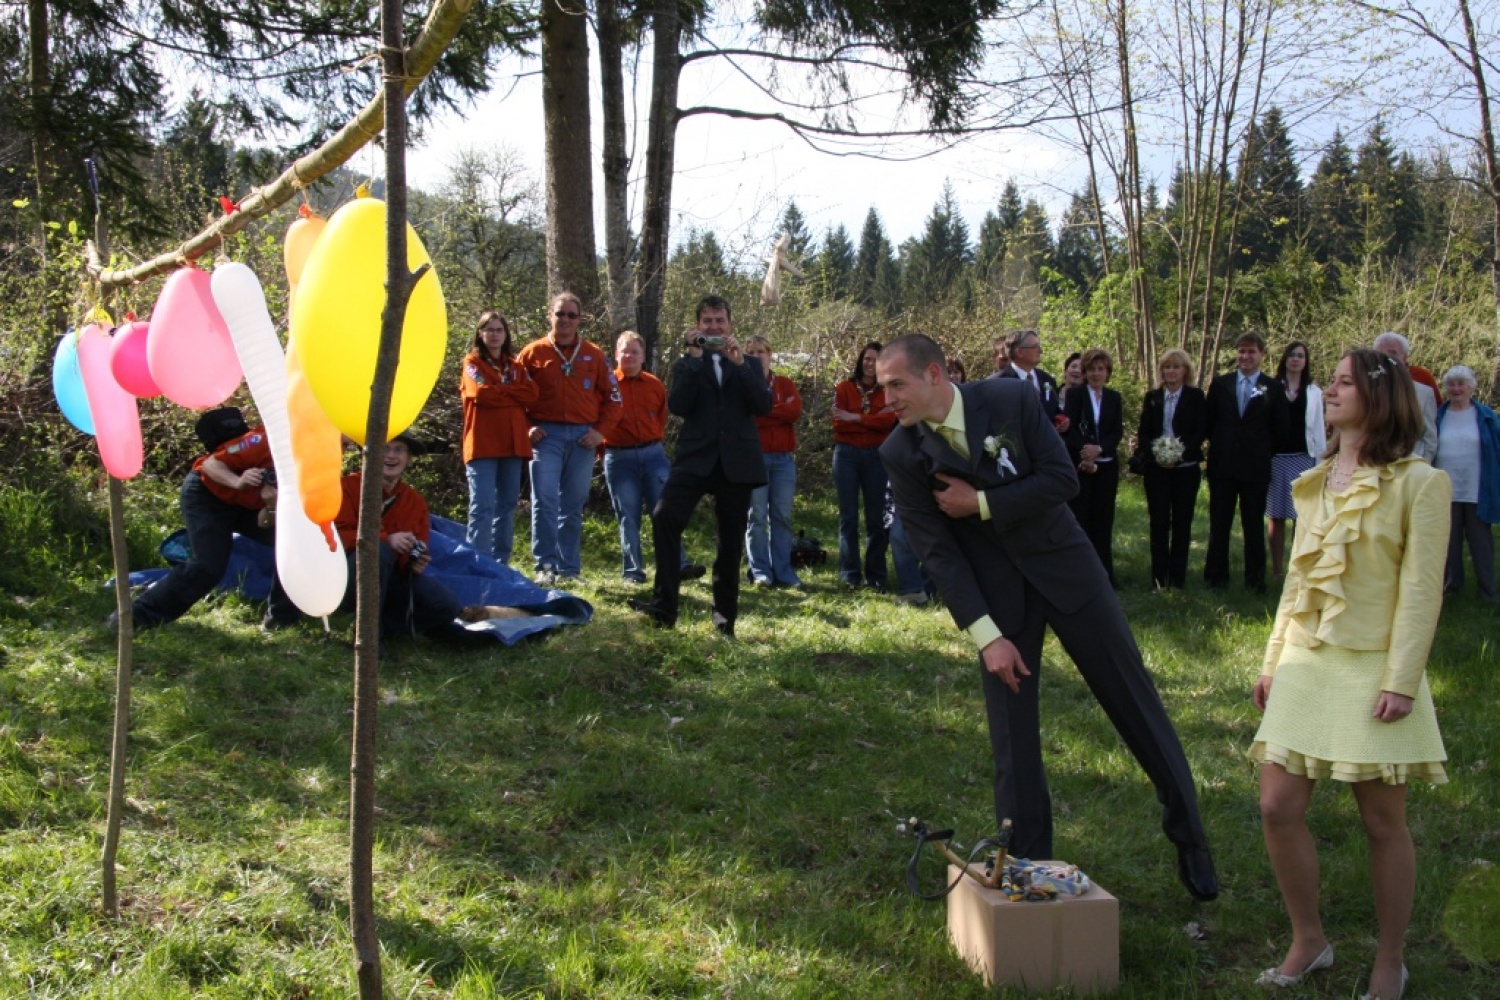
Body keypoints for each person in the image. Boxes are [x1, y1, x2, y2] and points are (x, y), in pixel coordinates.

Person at [876, 333, 1219, 903]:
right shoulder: (899, 453)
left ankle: (1190, 834)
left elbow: (1061, 479)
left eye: (896, 384)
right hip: (998, 603)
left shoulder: (1008, 400)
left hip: (1068, 572)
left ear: (934, 374)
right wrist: (988, 638)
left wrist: (981, 503)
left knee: (1133, 699)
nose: (887, 398)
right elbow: (938, 553)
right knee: (1012, 740)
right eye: (882, 387)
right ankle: (1028, 866)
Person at [1250, 349, 1450, 1000]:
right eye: (1329, 382)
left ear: (1378, 396)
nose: (1328, 391)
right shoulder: (1313, 480)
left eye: (1341, 383)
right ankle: (1310, 941)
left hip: (1376, 667)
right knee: (1277, 806)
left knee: (1382, 822)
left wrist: (1402, 679)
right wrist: (1273, 660)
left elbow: (1422, 592)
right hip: (1308, 658)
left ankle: (1391, 960)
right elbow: (1297, 583)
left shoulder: (1421, 484)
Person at [630, 295, 771, 637]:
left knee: (730, 542)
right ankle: (665, 607)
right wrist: (694, 358)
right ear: (697, 327)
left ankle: (724, 620)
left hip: (736, 463)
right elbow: (678, 405)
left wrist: (739, 364)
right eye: (707, 322)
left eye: (719, 321)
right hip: (695, 459)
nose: (714, 327)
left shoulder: (749, 365)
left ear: (730, 325)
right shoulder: (685, 364)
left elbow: (763, 405)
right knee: (665, 516)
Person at [121, 407, 297, 632]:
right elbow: (210, 464)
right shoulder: (264, 439)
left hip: (250, 507)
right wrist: (237, 482)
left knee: (293, 548)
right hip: (208, 495)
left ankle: (280, 621)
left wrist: (272, 504)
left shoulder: (319, 463)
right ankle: (137, 618)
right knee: (207, 566)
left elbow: (265, 522)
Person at [516, 292, 622, 586]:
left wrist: (600, 431)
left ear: (580, 320)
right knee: (545, 500)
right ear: (549, 315)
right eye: (560, 314)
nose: (565, 320)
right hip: (545, 436)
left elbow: (614, 398)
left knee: (573, 504)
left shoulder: (594, 354)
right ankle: (545, 565)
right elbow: (512, 398)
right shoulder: (532, 353)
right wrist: (526, 427)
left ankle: (570, 569)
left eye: (571, 315)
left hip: (582, 438)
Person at [334, 434, 465, 638]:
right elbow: (336, 538)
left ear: (408, 458)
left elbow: (418, 547)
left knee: (446, 605)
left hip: (391, 577)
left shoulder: (415, 501)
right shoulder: (346, 488)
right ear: (369, 455)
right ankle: (368, 636)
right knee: (379, 552)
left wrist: (414, 563)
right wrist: (386, 539)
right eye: (385, 449)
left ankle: (382, 628)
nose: (391, 456)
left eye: (398, 450)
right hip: (346, 575)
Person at [603, 331, 706, 585]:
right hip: (619, 457)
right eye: (624, 351)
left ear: (643, 356)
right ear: (616, 354)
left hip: (653, 455)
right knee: (628, 515)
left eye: (634, 351)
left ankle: (678, 565)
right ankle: (633, 572)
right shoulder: (606, 384)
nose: (629, 356)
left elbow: (660, 418)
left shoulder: (654, 384)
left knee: (665, 511)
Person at [1204, 331, 1286, 592]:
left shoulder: (1272, 387)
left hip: (1255, 467)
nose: (1245, 356)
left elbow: (1280, 428)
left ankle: (1255, 580)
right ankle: (1216, 577)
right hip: (1223, 464)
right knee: (1219, 523)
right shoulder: (1220, 384)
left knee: (1252, 525)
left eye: (1251, 351)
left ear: (1262, 354)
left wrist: (1261, 450)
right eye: (1241, 351)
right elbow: (1209, 422)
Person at [461, 311, 538, 564]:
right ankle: (477, 562)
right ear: (480, 334)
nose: (494, 334)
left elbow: (531, 394)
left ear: (506, 335)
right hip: (482, 445)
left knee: (506, 506)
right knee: (482, 507)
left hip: (513, 445)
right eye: (489, 329)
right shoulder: (472, 364)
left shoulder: (516, 366)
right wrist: (512, 393)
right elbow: (481, 394)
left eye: (499, 330)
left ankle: (500, 563)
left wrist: (500, 390)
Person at [1132, 349, 1207, 590]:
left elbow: (1200, 430)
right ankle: (1158, 578)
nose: (1171, 372)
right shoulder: (1153, 397)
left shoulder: (1196, 396)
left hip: (1185, 467)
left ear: (1185, 371)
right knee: (1159, 522)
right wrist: (1155, 452)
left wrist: (1179, 453)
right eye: (1167, 367)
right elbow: (1144, 431)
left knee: (1182, 523)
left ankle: (1178, 578)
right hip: (1157, 469)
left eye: (1176, 367)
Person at [832, 342, 897, 589]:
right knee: (848, 517)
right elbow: (839, 423)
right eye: (867, 359)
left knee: (876, 518)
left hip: (876, 455)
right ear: (861, 361)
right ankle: (849, 573)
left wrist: (856, 417)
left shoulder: (887, 390)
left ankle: (876, 575)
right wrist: (869, 420)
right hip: (846, 454)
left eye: (876, 360)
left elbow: (887, 421)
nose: (871, 364)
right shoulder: (844, 388)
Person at [1434, 365, 1500, 601]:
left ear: (1471, 387)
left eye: (1461, 384)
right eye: (1451, 384)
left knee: (1480, 542)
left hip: (1477, 488)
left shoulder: (1486, 416)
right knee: (1448, 542)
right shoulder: (1438, 415)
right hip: (1445, 487)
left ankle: (1488, 592)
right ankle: (1451, 587)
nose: (1456, 389)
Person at [743, 336, 804, 588]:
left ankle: (783, 571)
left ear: (770, 355)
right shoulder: (744, 383)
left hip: (783, 460)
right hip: (754, 458)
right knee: (756, 516)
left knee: (781, 516)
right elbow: (748, 417)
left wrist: (765, 410)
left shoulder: (785, 383)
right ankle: (760, 571)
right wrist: (778, 410)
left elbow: (795, 412)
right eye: (752, 352)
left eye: (761, 352)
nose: (758, 356)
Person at [1062, 348, 1123, 584]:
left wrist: (1099, 449)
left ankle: (1106, 574)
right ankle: (1083, 573)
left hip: (1106, 466)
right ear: (1085, 372)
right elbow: (1070, 428)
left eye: (1100, 369)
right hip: (1082, 466)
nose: (1096, 374)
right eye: (1091, 369)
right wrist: (1085, 451)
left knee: (1103, 519)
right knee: (1082, 518)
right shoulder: (1075, 395)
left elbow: (1116, 432)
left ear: (1107, 372)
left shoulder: (1114, 397)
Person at [1267, 342, 1326, 578]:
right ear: (1284, 359)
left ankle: (1297, 567)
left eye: (1300, 355)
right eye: (1291, 355)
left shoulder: (1314, 392)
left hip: (1304, 458)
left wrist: (1321, 462)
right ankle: (1277, 570)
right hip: (1276, 459)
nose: (1295, 359)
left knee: (1301, 516)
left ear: (1306, 361)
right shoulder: (1272, 387)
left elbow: (1319, 429)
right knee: (1277, 515)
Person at [1373, 332, 1438, 462]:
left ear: (1404, 357)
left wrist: (1423, 465)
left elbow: (1430, 438)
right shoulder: (1365, 390)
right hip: (1373, 465)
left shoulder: (1424, 393)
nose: (1387, 358)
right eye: (1382, 354)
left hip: (1411, 465)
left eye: (1393, 353)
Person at [997, 328, 1065, 426]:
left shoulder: (1047, 379)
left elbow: (1053, 410)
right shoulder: (999, 383)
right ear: (1019, 352)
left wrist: (1062, 420)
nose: (1040, 351)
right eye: (1035, 347)